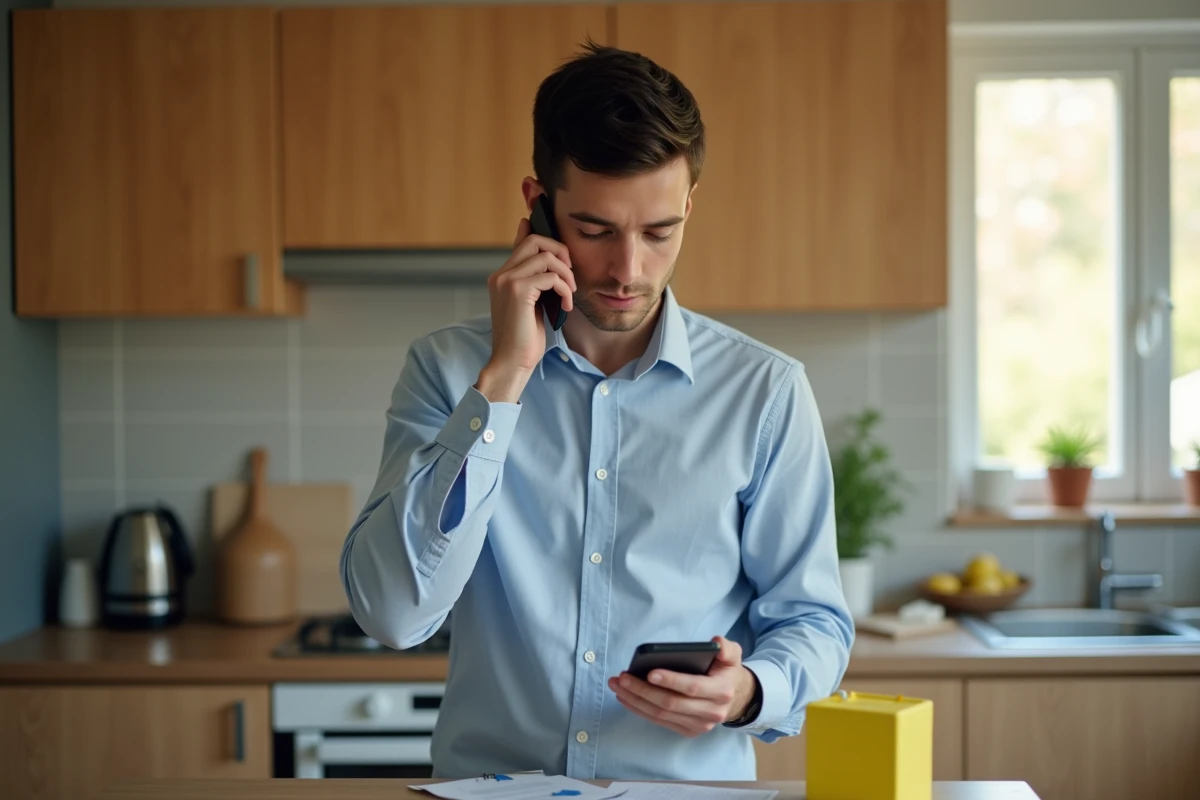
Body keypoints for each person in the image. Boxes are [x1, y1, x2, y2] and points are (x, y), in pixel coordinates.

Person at [340, 41, 854, 781]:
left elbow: (815, 620)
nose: (627, 270)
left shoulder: (765, 392)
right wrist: (504, 380)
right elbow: (394, 614)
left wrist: (748, 691)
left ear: (689, 206)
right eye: (595, 229)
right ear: (538, 207)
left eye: (659, 232)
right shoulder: (449, 373)